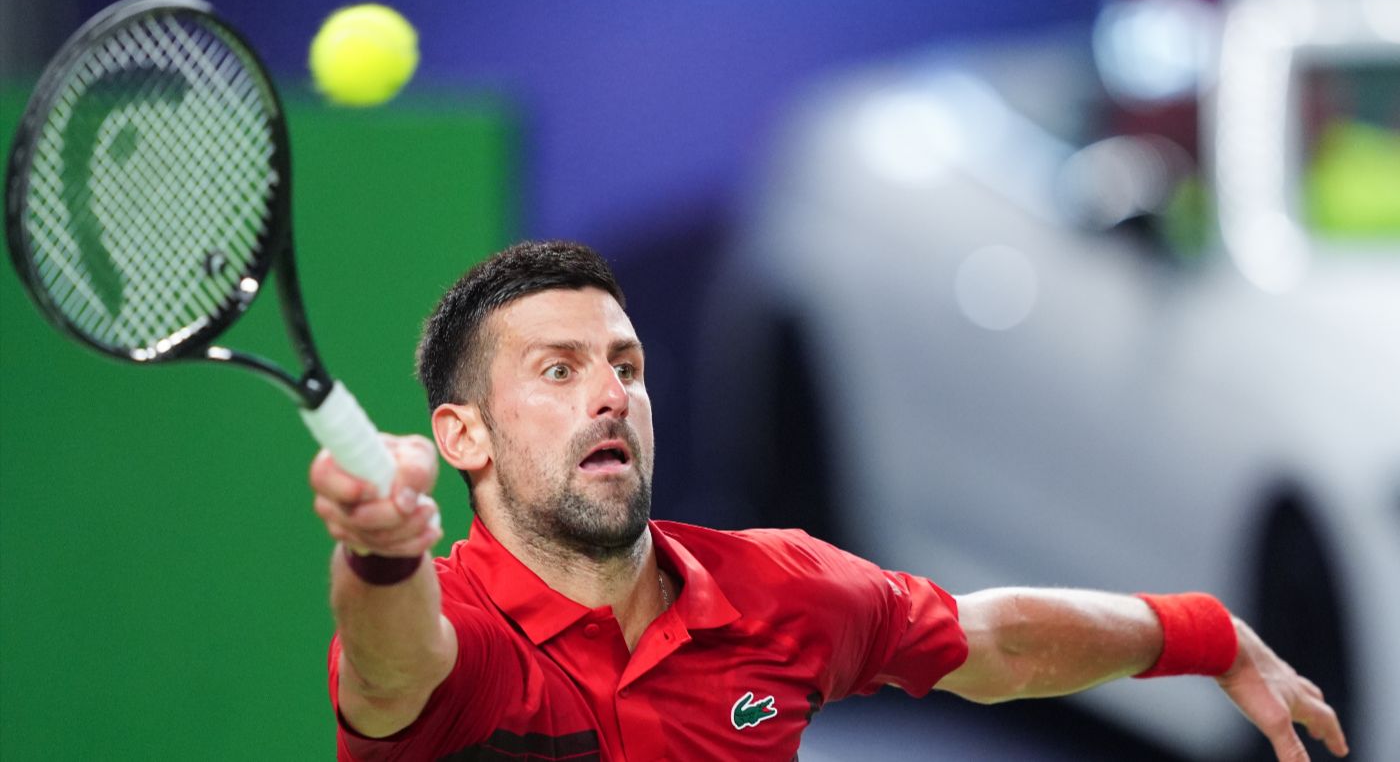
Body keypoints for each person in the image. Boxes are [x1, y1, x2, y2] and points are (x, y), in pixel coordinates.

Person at [311, 240, 1347, 761]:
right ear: (462, 436)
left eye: (625, 365)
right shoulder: (461, 639)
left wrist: (1204, 633)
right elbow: (393, 658)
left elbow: (995, 643)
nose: (609, 394)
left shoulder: (777, 589)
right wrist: (384, 552)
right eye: (557, 369)